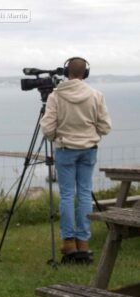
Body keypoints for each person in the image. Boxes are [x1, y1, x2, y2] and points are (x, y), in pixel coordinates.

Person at [40, 57, 112, 258]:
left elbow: (47, 128)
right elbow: (106, 126)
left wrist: (57, 137)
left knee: (67, 195)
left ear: (66, 72)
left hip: (65, 149)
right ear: (85, 73)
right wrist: (91, 133)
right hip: (89, 149)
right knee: (84, 193)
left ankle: (69, 242)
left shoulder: (56, 96)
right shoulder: (96, 95)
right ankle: (83, 240)